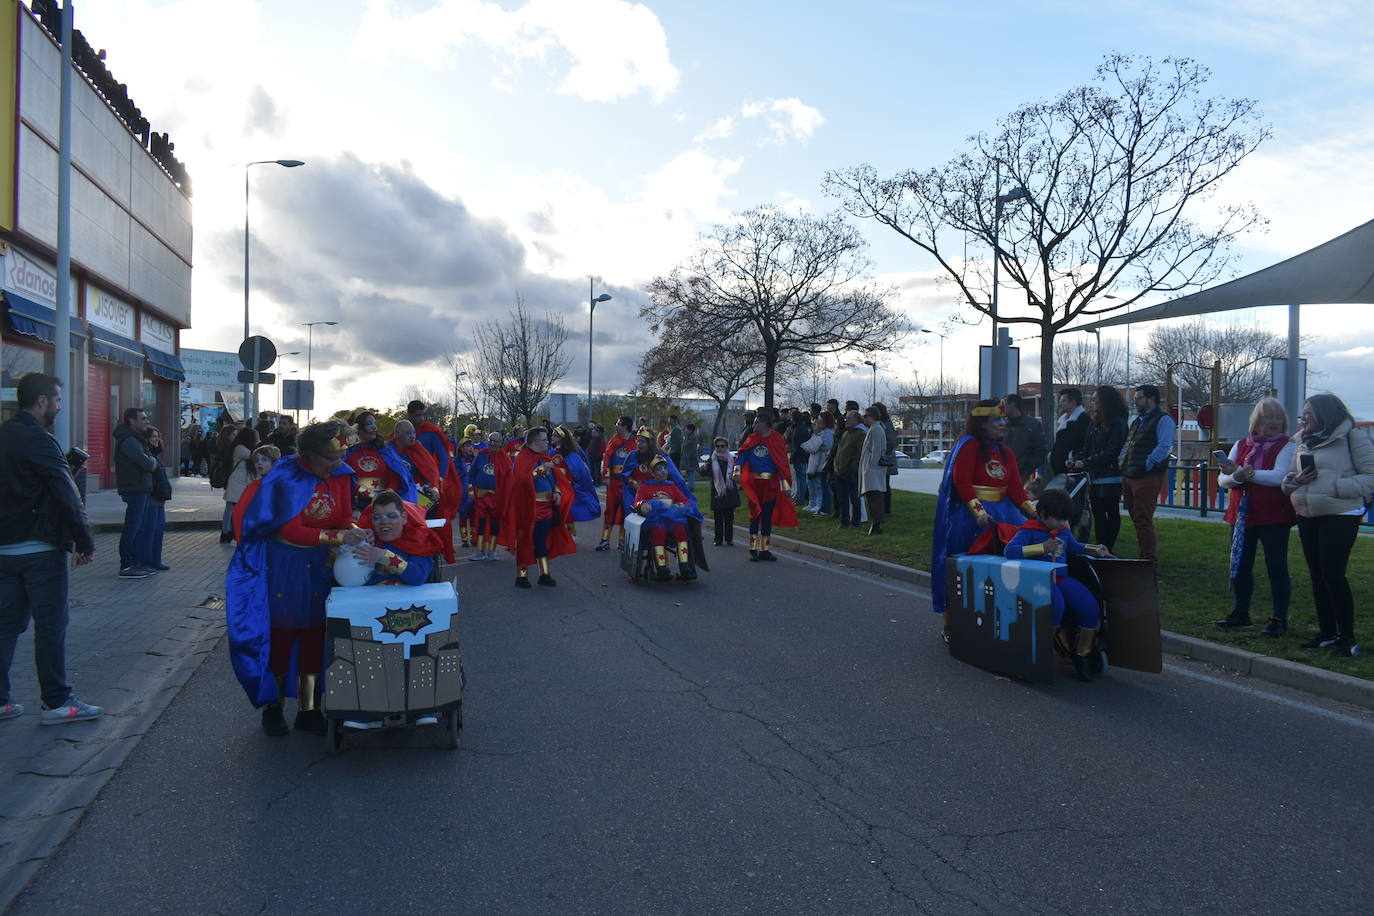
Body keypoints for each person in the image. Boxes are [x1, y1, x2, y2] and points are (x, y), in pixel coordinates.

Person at [226, 420, 365, 736]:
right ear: (311, 454)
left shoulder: (340, 476)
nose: (337, 464)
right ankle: (272, 710)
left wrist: (357, 533)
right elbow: (289, 529)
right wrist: (339, 536)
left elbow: (344, 517)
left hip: (322, 565)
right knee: (283, 637)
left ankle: (309, 710)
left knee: (316, 637)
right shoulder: (286, 475)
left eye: (340, 456)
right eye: (331, 458)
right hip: (286, 565)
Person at [0, 373, 103, 725]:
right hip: (40, 550)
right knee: (50, 626)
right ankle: (57, 702)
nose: (59, 407)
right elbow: (65, 493)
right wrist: (84, 541)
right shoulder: (40, 441)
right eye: (57, 400)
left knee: (5, 625)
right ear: (42, 401)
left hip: (4, 550)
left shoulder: (3, 435)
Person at [931, 400, 1037, 640]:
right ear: (982, 423)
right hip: (971, 519)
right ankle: (950, 622)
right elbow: (962, 482)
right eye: (996, 420)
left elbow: (1015, 489)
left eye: (1003, 420)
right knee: (961, 569)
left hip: (1003, 516)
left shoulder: (1006, 453)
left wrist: (1032, 513)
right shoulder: (968, 446)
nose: (1003, 425)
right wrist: (978, 512)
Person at [1282, 393, 1374, 657]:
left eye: (1309, 413)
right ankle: (1327, 632)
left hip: (1341, 513)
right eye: (1304, 413)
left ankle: (1347, 637)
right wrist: (1298, 480)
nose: (1304, 418)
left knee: (1333, 574)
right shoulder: (1301, 441)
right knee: (1317, 574)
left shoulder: (1352, 438)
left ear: (1325, 414)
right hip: (1308, 512)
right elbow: (1288, 480)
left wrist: (1337, 487)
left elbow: (1370, 477)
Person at [1004, 488, 1114, 681]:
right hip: (1040, 580)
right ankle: (1048, 648)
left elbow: (1074, 547)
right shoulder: (1028, 530)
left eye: (1065, 519)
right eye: (1058, 519)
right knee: (1056, 606)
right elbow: (1010, 551)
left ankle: (1082, 655)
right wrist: (1041, 548)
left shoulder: (1063, 529)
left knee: (1089, 607)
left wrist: (1096, 549)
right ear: (1043, 514)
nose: (1063, 523)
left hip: (1062, 578)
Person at [1212, 398, 1299, 635]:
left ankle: (1279, 618)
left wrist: (1241, 474)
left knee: (1276, 566)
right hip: (1242, 515)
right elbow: (1223, 480)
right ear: (1257, 420)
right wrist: (1239, 476)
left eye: (1278, 417)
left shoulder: (1288, 446)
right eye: (1268, 416)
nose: (1273, 421)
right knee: (1240, 564)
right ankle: (1241, 613)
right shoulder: (1241, 445)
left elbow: (1278, 476)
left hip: (1274, 515)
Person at [498, 427, 576, 588]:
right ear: (535, 442)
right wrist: (539, 471)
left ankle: (544, 574)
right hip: (529, 508)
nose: (547, 442)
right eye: (544, 439)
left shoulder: (544, 457)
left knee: (542, 541)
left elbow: (554, 481)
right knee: (525, 541)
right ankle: (522, 576)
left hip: (547, 508)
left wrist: (557, 492)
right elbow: (520, 481)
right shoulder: (523, 458)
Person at [1119, 384, 1176, 563]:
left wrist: (1147, 463)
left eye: (1139, 398)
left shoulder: (1163, 419)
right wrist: (1122, 461)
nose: (1135, 402)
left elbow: (1164, 446)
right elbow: (1128, 445)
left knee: (1143, 518)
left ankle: (1149, 559)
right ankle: (1144, 555)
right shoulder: (1138, 421)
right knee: (1138, 518)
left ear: (1151, 399)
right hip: (1131, 474)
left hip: (1147, 476)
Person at [1069, 385, 1129, 552]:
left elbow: (1112, 450)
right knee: (1098, 513)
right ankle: (1101, 545)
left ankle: (1108, 546)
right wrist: (1077, 460)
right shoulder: (1094, 422)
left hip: (1111, 475)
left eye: (1096, 399)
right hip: (1094, 475)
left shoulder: (1117, 423)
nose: (1093, 401)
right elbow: (1087, 448)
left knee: (1111, 511)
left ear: (1105, 401)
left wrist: (1087, 462)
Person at [733, 409, 799, 561]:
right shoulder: (751, 438)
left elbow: (781, 464)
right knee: (754, 516)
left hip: (770, 485)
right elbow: (742, 456)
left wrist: (785, 486)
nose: (754, 424)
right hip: (754, 485)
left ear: (765, 424)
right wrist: (736, 472)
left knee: (767, 518)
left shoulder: (776, 439)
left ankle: (764, 549)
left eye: (757, 422)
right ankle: (752, 549)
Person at [352, 490, 445, 586]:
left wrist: (385, 557)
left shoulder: (418, 543)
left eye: (391, 516)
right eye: (378, 517)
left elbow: (418, 577)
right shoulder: (366, 542)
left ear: (404, 518)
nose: (384, 521)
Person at [632, 454, 702, 580]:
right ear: (653, 473)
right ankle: (661, 567)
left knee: (680, 529)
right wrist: (643, 505)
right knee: (658, 531)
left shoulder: (671, 486)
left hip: (671, 519)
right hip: (655, 520)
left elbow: (685, 501)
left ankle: (684, 565)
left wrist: (679, 507)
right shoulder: (645, 486)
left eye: (665, 468)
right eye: (659, 469)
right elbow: (637, 502)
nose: (663, 471)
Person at [113, 406, 158, 578]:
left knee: (139, 527)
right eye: (143, 418)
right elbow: (148, 464)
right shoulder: (129, 441)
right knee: (133, 527)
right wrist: (152, 460)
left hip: (141, 487)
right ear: (132, 421)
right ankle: (127, 565)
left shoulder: (136, 438)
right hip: (135, 488)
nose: (147, 421)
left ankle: (135, 563)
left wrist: (150, 459)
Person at [345, 411, 417, 511]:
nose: (374, 427)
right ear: (358, 428)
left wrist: (387, 495)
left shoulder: (384, 450)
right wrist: (372, 495)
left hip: (386, 504)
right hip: (357, 505)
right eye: (369, 424)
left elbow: (395, 476)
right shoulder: (347, 453)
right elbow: (347, 481)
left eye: (375, 423)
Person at [551, 425, 602, 538]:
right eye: (553, 435)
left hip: (566, 487)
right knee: (555, 512)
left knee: (567, 511)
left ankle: (571, 534)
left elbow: (577, 470)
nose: (552, 437)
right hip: (553, 486)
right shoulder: (551, 453)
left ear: (561, 438)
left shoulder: (571, 454)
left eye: (555, 435)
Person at [597, 416, 635, 551]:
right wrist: (606, 476)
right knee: (611, 511)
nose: (615, 426)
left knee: (627, 512)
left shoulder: (634, 442)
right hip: (614, 482)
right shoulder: (615, 441)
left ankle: (622, 541)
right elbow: (606, 458)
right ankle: (605, 539)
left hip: (628, 484)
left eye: (618, 424)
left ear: (624, 426)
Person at [231, 444, 282, 541]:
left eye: (264, 460)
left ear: (274, 463)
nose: (259, 463)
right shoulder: (253, 486)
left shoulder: (280, 485)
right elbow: (240, 512)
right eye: (256, 460)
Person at [221, 427, 258, 545]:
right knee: (233, 510)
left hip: (240, 484)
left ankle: (230, 534)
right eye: (255, 438)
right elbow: (254, 455)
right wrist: (260, 444)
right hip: (237, 484)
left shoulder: (240, 447)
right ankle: (228, 534)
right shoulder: (240, 448)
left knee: (235, 510)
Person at [143, 426, 173, 572]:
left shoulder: (155, 455)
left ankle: (155, 560)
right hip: (152, 497)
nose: (156, 439)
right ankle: (148, 561)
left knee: (158, 531)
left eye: (157, 436)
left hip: (159, 498)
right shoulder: (147, 455)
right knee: (150, 531)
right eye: (152, 437)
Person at [1001, 394, 1047, 485]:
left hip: (1022, 475)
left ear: (1013, 404)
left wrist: (1027, 471)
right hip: (1002, 473)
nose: (1002, 408)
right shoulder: (1003, 425)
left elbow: (1041, 450)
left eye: (1004, 404)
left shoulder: (1032, 425)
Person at [702, 436, 740, 546]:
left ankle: (729, 539)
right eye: (717, 446)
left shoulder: (732, 459)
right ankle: (718, 539)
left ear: (726, 447)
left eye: (722, 446)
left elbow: (737, 473)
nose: (720, 448)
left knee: (729, 518)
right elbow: (704, 473)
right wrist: (704, 468)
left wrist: (736, 475)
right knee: (718, 519)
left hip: (729, 492)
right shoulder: (712, 459)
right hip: (717, 492)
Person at [832, 410, 865, 529]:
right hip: (839, 470)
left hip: (850, 471)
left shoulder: (860, 434)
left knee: (854, 498)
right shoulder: (846, 433)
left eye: (850, 418)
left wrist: (852, 468)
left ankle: (855, 522)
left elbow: (860, 453)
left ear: (857, 420)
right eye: (847, 418)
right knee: (842, 498)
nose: (847, 420)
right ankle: (844, 521)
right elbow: (840, 450)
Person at [859, 406, 889, 535]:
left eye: (866, 416)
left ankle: (876, 524)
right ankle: (876, 523)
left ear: (871, 416)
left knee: (875, 496)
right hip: (872, 468)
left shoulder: (876, 429)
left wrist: (870, 465)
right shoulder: (875, 429)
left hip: (873, 469)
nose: (864, 418)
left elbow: (876, 451)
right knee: (873, 496)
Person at [1050, 387, 1092, 476]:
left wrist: (1072, 457)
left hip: (1073, 471)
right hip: (1061, 470)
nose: (1060, 403)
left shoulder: (1083, 420)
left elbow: (1085, 444)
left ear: (1073, 402)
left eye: (1064, 401)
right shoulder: (1064, 420)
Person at [803, 411, 835, 515]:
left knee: (821, 486)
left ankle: (821, 505)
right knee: (813, 484)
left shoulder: (829, 432)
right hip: (817, 461)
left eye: (821, 421)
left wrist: (819, 445)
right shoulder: (822, 433)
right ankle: (814, 503)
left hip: (823, 461)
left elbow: (827, 446)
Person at [788, 407, 813, 506]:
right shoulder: (800, 428)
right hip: (800, 456)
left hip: (799, 457)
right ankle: (799, 497)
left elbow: (798, 445)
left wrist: (793, 456)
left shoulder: (799, 429)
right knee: (799, 478)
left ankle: (800, 498)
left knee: (800, 478)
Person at [681, 422, 700, 490]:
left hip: (691, 459)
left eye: (686, 429)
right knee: (689, 472)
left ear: (690, 430)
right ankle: (689, 486)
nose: (685, 430)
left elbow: (693, 449)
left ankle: (691, 487)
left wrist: (688, 456)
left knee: (691, 472)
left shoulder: (693, 438)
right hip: (686, 459)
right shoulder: (687, 437)